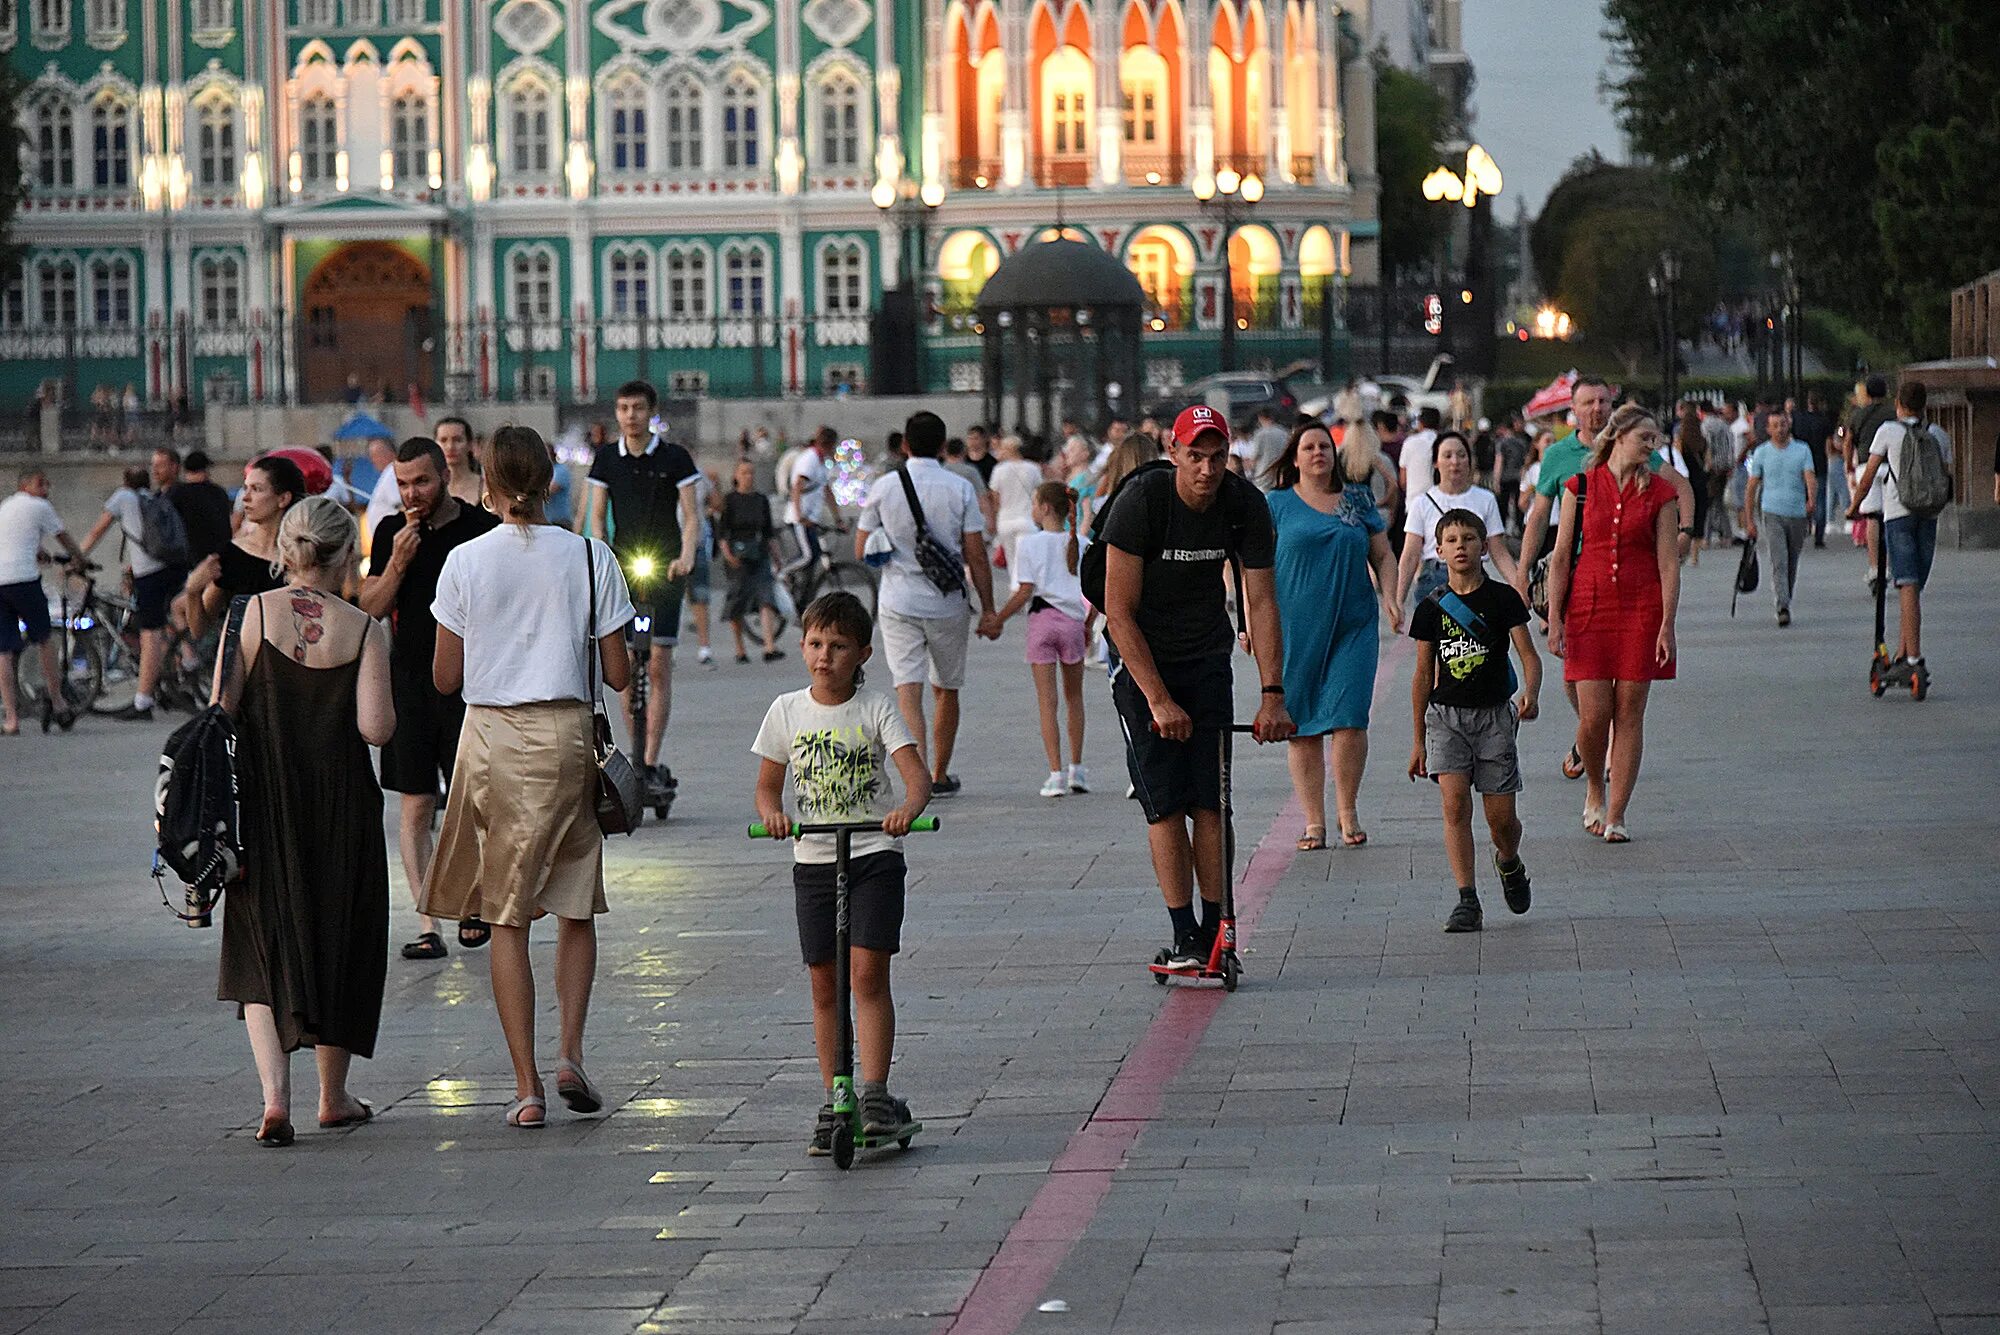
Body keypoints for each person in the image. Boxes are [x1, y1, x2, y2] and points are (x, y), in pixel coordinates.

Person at [422, 426, 635, 1129]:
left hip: (491, 736)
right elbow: (618, 674)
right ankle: (571, 1048)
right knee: (575, 901)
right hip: (567, 734)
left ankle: (527, 1084)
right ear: (551, 482)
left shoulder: (464, 561)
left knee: (506, 912)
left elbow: (446, 677)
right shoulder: (588, 555)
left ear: (485, 483)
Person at [211, 496, 394, 1147]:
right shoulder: (366, 628)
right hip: (342, 804)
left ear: (284, 551)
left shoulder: (248, 614)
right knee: (341, 934)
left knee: (262, 940)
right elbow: (377, 728)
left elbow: (220, 711)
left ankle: (274, 1101)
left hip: (265, 802)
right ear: (347, 552)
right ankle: (333, 1095)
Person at [1102, 404, 1294, 971]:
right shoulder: (1143, 502)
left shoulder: (1243, 504)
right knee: (1166, 804)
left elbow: (1260, 600)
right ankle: (1184, 934)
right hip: (1142, 660)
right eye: (1195, 457)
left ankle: (1217, 926)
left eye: (1217, 457)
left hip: (1206, 653)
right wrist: (1158, 699)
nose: (1207, 470)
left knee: (1211, 801)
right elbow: (1118, 612)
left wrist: (1272, 694)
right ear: (1173, 451)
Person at [752, 591, 931, 1154]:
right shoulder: (786, 710)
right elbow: (765, 789)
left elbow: (916, 778)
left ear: (862, 654)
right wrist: (774, 816)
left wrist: (906, 810)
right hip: (815, 861)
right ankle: (836, 1093)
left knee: (867, 974)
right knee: (824, 982)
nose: (824, 656)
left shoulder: (876, 707)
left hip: (875, 855)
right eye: (814, 644)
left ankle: (872, 1091)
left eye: (837, 646)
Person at [357, 436, 501, 962]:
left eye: (421, 481)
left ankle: (473, 902)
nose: (412, 493)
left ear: (444, 473)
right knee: (415, 802)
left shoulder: (479, 529)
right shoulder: (394, 530)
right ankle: (426, 920)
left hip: (471, 686)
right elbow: (368, 607)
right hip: (409, 685)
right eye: (402, 484)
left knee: (472, 799)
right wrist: (395, 563)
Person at [1546, 404, 1681, 844]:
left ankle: (1617, 813)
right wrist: (1554, 618)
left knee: (1629, 713)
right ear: (1619, 436)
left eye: (1656, 439)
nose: (1652, 446)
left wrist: (1668, 624)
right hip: (1587, 606)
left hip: (1641, 608)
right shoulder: (1579, 487)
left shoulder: (1660, 493)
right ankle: (1593, 789)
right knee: (1593, 716)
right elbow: (1562, 556)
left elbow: (1668, 562)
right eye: (1646, 438)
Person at [1266, 419, 1401, 850]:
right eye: (1308, 447)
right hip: (1295, 627)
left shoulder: (1357, 499)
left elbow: (1383, 554)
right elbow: (1251, 567)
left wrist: (1391, 597)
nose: (1318, 453)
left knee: (1349, 718)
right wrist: (1250, 622)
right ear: (1295, 457)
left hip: (1354, 624)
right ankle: (1313, 821)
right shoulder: (1277, 505)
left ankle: (1347, 812)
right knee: (1301, 723)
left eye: (1324, 446)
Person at [1407, 508, 1542, 932]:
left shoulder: (1503, 600)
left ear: (1484, 548)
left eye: (1469, 538)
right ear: (1439, 550)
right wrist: (1417, 741)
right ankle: (1467, 898)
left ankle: (1508, 860)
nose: (1460, 546)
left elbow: (1529, 656)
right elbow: (1421, 674)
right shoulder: (1432, 607)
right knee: (1454, 805)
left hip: (1495, 720)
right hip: (1445, 718)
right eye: (1452, 540)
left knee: (1501, 821)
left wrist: (1531, 693)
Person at [854, 411, 999, 800]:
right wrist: (988, 609)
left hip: (898, 599)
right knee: (946, 689)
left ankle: (914, 776)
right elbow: (975, 554)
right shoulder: (959, 487)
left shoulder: (884, 487)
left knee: (907, 690)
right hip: (947, 602)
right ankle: (940, 772)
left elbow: (861, 546)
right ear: (941, 445)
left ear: (904, 444)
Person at [585, 379, 700, 806]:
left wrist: (686, 555)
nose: (629, 415)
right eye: (622, 408)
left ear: (651, 412)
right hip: (623, 573)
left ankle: (650, 759)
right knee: (626, 665)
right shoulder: (606, 460)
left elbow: (690, 515)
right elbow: (597, 517)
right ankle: (631, 761)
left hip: (666, 570)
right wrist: (602, 558)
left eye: (636, 408)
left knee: (658, 666)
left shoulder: (674, 457)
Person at [1849, 379, 1951, 682]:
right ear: (1924, 406)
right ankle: (1903, 651)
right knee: (1914, 585)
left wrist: (1854, 507)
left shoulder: (1888, 432)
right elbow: (1946, 475)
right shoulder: (1938, 435)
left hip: (1898, 513)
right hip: (1929, 514)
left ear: (1898, 405)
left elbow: (1868, 475)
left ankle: (1913, 657)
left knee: (1906, 582)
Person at [993, 482, 1090, 797]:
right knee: (1074, 698)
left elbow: (1024, 591)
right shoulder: (1082, 543)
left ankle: (1055, 774)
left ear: (1045, 507)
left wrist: (997, 619)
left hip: (1042, 623)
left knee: (1047, 703)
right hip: (1074, 623)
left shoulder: (1028, 544)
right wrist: (1087, 625)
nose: (1032, 509)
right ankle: (1078, 769)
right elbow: (1095, 594)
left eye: (1034, 503)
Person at [78, 450, 189, 721]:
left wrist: (76, 559)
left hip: (150, 573)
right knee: (165, 623)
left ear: (125, 481)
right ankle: (187, 664)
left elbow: (96, 531)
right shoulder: (151, 497)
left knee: (149, 634)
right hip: (173, 566)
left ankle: (142, 701)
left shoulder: (123, 497)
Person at [0, 468, 88, 734]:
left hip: (0, 581)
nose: (47, 489)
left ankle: (11, 718)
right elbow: (65, 538)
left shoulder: (5, 506)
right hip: (24, 580)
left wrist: (39, 553)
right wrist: (80, 559)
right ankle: (58, 702)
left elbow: (13, 540)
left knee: (3, 650)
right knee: (44, 638)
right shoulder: (40, 506)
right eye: (43, 484)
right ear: (30, 485)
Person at [186, 454, 307, 639]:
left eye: (257, 489)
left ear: (283, 498)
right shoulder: (233, 554)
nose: (246, 498)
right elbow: (199, 629)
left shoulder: (304, 554)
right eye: (245, 488)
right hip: (246, 661)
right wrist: (193, 591)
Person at [1396, 432, 1518, 608]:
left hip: (1475, 579)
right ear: (1436, 463)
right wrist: (1398, 600)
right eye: (1447, 456)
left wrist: (1518, 585)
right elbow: (1410, 554)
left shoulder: (1485, 499)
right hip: (1434, 579)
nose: (1455, 461)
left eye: (1461, 455)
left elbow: (1498, 550)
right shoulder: (1421, 503)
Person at [1743, 410, 1817, 627]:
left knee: (1792, 560)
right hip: (1771, 511)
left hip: (1796, 513)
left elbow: (1810, 477)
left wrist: (1811, 499)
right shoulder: (1762, 452)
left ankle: (1786, 597)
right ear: (1768, 429)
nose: (1779, 429)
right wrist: (1749, 520)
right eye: (1775, 425)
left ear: (1789, 425)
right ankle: (1782, 604)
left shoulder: (1802, 450)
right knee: (1779, 560)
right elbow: (1752, 486)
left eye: (1783, 424)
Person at [719, 459, 786, 663]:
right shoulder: (730, 500)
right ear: (736, 476)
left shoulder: (761, 500)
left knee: (766, 599)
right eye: (744, 472)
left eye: (751, 472)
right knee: (737, 602)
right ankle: (740, 648)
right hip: (737, 557)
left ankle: (769, 646)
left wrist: (777, 557)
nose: (748, 476)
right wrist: (728, 555)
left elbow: (768, 531)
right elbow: (722, 532)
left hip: (760, 554)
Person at [1847, 376, 1896, 590]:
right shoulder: (1893, 413)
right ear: (1886, 392)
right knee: (1892, 517)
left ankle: (1875, 567)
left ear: (1866, 393)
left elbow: (1849, 441)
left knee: (1872, 518)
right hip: (1890, 465)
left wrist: (1849, 463)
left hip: (1866, 467)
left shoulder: (1858, 414)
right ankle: (1892, 567)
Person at [988, 433, 1042, 575]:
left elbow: (995, 497)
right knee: (1027, 563)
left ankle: (1015, 589)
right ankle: (1024, 590)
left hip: (1006, 520)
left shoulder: (999, 470)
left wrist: (995, 516)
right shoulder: (1033, 468)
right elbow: (1039, 493)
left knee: (1012, 562)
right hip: (1027, 520)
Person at [171, 450, 234, 568]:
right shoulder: (218, 492)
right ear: (205, 470)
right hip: (218, 557)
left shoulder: (176, 494)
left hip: (188, 558)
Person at [786, 426, 837, 570]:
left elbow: (827, 491)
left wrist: (838, 519)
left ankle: (806, 591)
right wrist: (799, 516)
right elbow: (797, 486)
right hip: (800, 519)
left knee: (815, 555)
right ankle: (781, 575)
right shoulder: (810, 459)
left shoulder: (820, 461)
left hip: (810, 518)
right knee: (807, 556)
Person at [1790, 389, 1834, 547]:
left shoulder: (1798, 419)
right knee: (1820, 499)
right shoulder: (1824, 421)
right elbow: (1829, 445)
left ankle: (1803, 528)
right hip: (1819, 463)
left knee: (1801, 496)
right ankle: (1819, 536)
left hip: (1800, 463)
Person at [942, 434, 996, 537]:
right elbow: (982, 497)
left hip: (946, 518)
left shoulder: (941, 470)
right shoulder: (970, 471)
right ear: (963, 451)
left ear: (945, 452)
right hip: (969, 518)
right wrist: (990, 520)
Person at [435, 417, 483, 505]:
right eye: (443, 440)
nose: (450, 447)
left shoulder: (486, 487)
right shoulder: (433, 489)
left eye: (458, 440)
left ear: (470, 444)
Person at [1399, 406, 1441, 501]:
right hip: (1441, 502)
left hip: (1414, 501)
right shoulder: (1445, 442)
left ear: (1420, 423)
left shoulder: (1409, 442)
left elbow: (1403, 481)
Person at [1247, 407, 1289, 490]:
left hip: (1263, 472)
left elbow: (1254, 456)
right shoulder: (1284, 433)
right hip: (1280, 473)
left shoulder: (1259, 434)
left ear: (1260, 418)